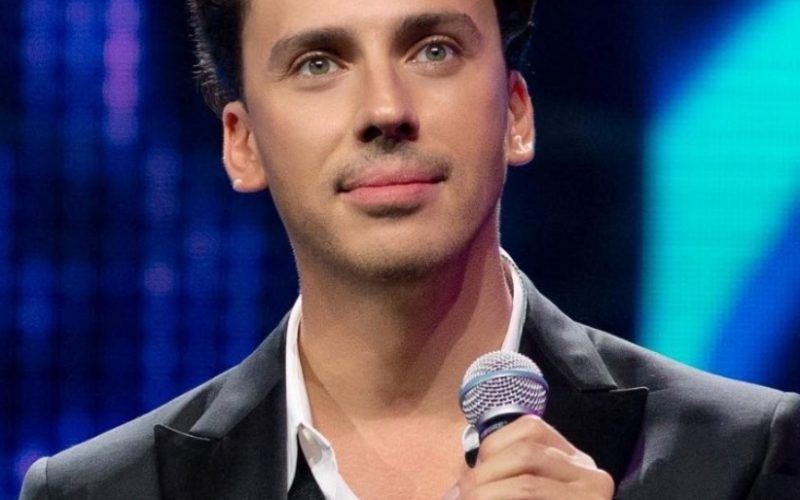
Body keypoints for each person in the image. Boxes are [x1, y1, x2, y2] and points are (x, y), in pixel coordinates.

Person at [19, 0, 800, 498]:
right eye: (318, 63)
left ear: (516, 114)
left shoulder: (740, 457)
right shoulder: (103, 491)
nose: (385, 109)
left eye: (432, 50)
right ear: (243, 143)